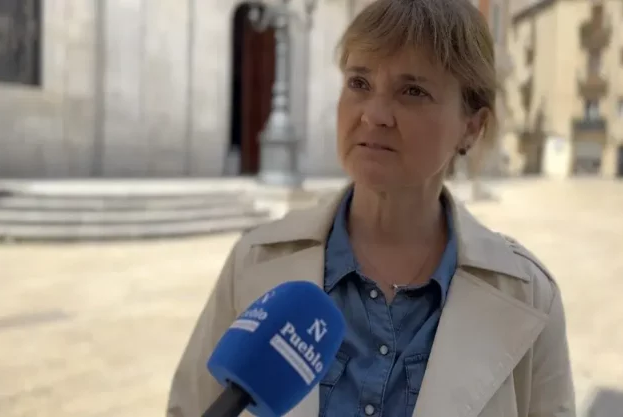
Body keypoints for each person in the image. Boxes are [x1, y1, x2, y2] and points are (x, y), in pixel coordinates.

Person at [167, 0, 575, 416]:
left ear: (471, 127)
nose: (375, 115)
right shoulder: (254, 261)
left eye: (412, 91)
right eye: (359, 83)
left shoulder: (530, 298)